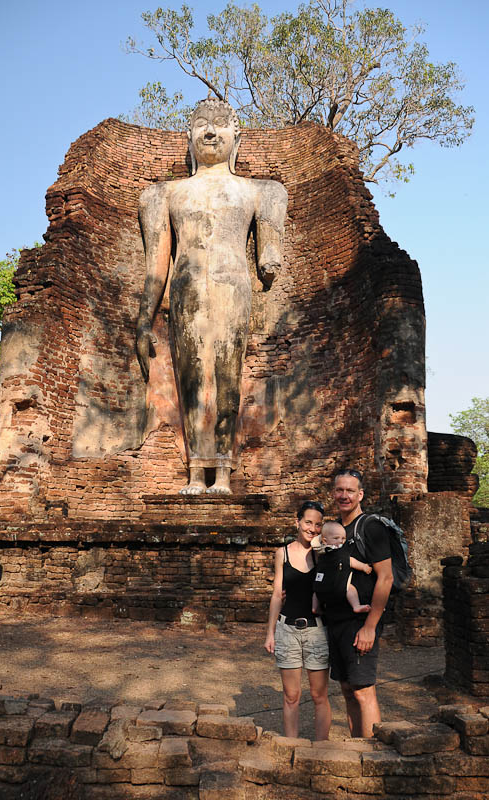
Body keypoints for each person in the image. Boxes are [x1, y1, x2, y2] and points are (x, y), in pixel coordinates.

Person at [136, 98, 287, 495]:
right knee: (191, 378)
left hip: (231, 286)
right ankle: (193, 473)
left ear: (236, 135)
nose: (209, 132)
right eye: (201, 124)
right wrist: (143, 319)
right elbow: (156, 265)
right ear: (189, 135)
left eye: (220, 125)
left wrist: (270, 253)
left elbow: (269, 258)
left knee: (226, 377)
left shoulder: (261, 192)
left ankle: (222, 473)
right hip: (186, 291)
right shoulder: (164, 195)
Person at [316, 469, 393, 738]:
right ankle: (357, 752)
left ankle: (373, 759)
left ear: (360, 494)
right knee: (347, 688)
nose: (344, 495)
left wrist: (370, 627)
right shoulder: (335, 531)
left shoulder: (371, 527)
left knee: (363, 690)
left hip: (361, 621)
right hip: (336, 621)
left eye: (350, 491)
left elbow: (385, 578)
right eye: (339, 490)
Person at [264, 501, 331, 739]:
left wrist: (320, 550)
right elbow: (276, 594)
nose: (312, 528)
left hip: (317, 631)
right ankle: (291, 747)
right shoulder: (282, 553)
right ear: (298, 522)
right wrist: (270, 633)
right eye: (308, 522)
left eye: (317, 524)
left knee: (318, 695)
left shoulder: (324, 552)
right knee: (291, 696)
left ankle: (321, 748)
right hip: (287, 629)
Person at [312, 521, 372, 616]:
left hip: (322, 587)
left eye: (343, 538)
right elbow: (350, 561)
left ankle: (315, 607)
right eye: (336, 538)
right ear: (325, 540)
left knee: (316, 591)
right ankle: (356, 606)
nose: (340, 541)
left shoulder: (321, 552)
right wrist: (364, 567)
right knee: (350, 588)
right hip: (337, 587)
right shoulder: (339, 552)